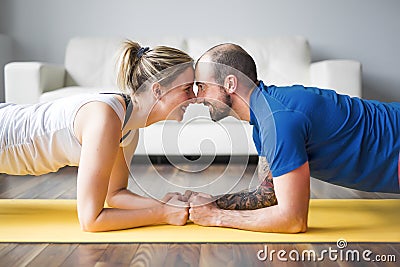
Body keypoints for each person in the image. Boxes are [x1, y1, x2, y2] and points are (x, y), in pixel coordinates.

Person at [188, 43, 400, 233]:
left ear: (230, 84)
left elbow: (293, 220)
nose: (197, 97)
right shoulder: (263, 119)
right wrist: (212, 201)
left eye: (203, 86)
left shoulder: (278, 121)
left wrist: (216, 217)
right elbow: (267, 194)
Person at [0, 40, 195, 232]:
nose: (194, 98)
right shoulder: (105, 118)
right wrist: (162, 213)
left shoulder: (128, 128)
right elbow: (91, 221)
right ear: (158, 90)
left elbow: (115, 195)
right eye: (187, 89)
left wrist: (162, 203)